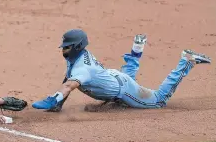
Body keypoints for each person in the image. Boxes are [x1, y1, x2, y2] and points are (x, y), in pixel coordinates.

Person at [32, 29, 212, 112]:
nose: (64, 50)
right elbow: (68, 78)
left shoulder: (83, 68)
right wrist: (59, 105)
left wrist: (53, 100)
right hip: (115, 77)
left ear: (77, 46)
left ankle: (186, 61)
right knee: (127, 76)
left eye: (67, 47)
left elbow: (69, 85)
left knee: (159, 100)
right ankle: (137, 48)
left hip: (123, 89)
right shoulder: (77, 57)